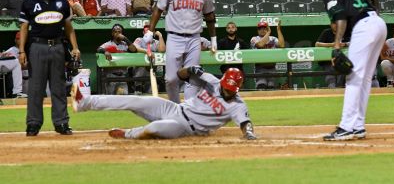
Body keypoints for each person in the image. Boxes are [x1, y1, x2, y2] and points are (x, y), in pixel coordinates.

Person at [307, 0, 387, 141]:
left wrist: (336, 45)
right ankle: (358, 126)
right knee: (365, 79)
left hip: (364, 27)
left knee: (352, 77)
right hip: (378, 23)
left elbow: (341, 17)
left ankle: (346, 127)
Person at [71, 66, 257, 141]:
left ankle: (127, 134)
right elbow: (181, 75)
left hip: (184, 127)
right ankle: (84, 102)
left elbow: (245, 123)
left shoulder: (237, 105)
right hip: (174, 108)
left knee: (154, 128)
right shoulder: (213, 81)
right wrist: (191, 69)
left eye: (231, 90)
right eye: (226, 87)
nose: (227, 91)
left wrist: (248, 133)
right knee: (133, 100)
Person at [18, 0, 81, 136]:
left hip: (58, 46)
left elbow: (68, 27)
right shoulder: (29, 2)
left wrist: (75, 47)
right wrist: (22, 50)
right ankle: (33, 124)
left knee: (59, 87)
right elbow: (24, 28)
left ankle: (61, 123)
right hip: (37, 47)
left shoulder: (62, 2)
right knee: (35, 89)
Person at [147, 0, 217, 103]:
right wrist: (150, 31)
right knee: (171, 78)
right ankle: (175, 106)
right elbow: (157, 10)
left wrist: (213, 39)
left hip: (194, 38)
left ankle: (189, 109)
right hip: (174, 37)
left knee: (193, 77)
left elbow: (210, 16)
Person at [97, 24, 137, 95]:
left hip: (123, 76)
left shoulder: (125, 44)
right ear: (112, 33)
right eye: (116, 32)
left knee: (124, 97)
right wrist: (105, 51)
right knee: (110, 98)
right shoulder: (108, 44)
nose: (118, 33)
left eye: (120, 32)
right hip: (111, 76)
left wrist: (125, 39)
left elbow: (134, 50)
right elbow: (99, 49)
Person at [250, 21, 285, 90]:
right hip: (260, 68)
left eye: (264, 28)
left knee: (271, 88)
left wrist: (278, 30)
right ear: (258, 30)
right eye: (260, 28)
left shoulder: (273, 39)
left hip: (272, 68)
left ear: (267, 29)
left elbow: (282, 45)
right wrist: (268, 33)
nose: (262, 30)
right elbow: (260, 45)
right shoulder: (254, 38)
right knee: (261, 87)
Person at [133, 24, 165, 93]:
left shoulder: (155, 42)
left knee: (152, 93)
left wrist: (160, 36)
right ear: (143, 33)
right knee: (139, 95)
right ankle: (138, 87)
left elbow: (162, 50)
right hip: (140, 73)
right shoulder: (139, 39)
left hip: (152, 73)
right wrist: (147, 51)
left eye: (150, 31)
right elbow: (134, 48)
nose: (148, 33)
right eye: (146, 31)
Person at [315, 23, 349, 88]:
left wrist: (345, 44)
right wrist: (332, 44)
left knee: (340, 82)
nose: (336, 25)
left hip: (341, 61)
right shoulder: (327, 32)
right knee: (331, 82)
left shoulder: (344, 32)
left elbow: (351, 42)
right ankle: (331, 90)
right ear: (330, 25)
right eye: (334, 24)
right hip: (328, 62)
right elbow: (317, 44)